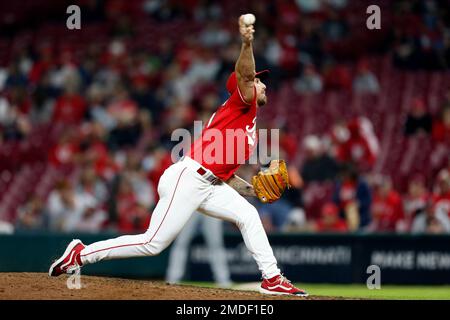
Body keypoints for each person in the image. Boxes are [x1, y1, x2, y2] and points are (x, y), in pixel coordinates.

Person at [48, 15, 308, 297]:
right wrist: (247, 43)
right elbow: (245, 73)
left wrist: (252, 190)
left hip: (209, 183)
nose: (263, 84)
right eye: (258, 81)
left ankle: (272, 278)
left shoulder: (248, 121)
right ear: (244, 88)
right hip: (187, 179)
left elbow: (225, 174)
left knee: (248, 215)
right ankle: (81, 253)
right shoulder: (240, 102)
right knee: (153, 243)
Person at [166, 213, 231, 288]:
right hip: (192, 206)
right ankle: (173, 278)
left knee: (216, 244)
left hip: (210, 205)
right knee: (181, 243)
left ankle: (223, 280)